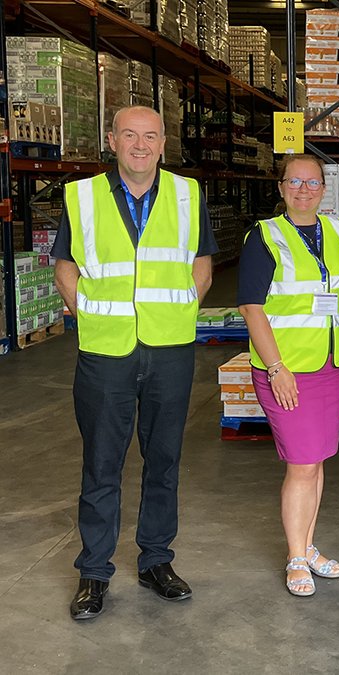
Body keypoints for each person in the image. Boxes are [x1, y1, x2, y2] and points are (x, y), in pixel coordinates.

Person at [53, 105, 216, 619]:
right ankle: (95, 572)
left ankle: (155, 561)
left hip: (169, 348)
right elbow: (65, 266)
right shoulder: (81, 196)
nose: (140, 145)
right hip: (106, 352)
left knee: (163, 459)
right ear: (112, 140)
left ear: (164, 142)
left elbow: (202, 264)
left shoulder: (189, 194)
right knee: (102, 462)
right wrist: (94, 315)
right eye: (129, 135)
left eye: (150, 136)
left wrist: (177, 308)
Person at [238, 154, 339, 597]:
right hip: (287, 369)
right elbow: (252, 307)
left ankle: (307, 545)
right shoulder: (264, 236)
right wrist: (276, 367)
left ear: (324, 188)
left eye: (312, 183)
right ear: (282, 187)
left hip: (332, 365)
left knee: (317, 461)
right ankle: (295, 556)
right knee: (302, 464)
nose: (304, 190)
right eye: (295, 182)